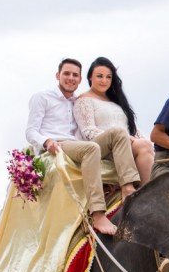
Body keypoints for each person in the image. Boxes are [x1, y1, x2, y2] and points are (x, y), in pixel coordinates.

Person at [24, 58, 140, 235]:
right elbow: (31, 131)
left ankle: (128, 188)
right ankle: (98, 214)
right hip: (58, 145)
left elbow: (86, 131)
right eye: (66, 73)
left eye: (75, 75)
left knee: (117, 132)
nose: (71, 78)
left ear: (80, 80)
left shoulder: (78, 102)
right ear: (58, 76)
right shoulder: (42, 97)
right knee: (91, 149)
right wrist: (47, 142)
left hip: (78, 146)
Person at [75, 57, 155, 186]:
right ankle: (149, 193)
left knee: (147, 145)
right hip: (104, 146)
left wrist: (143, 141)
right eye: (99, 76)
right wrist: (122, 138)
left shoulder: (115, 100)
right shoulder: (84, 100)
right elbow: (87, 130)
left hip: (128, 142)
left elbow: (130, 127)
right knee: (143, 146)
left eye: (108, 77)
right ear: (90, 77)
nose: (104, 81)